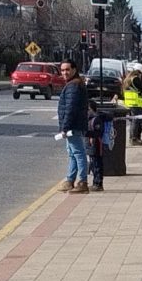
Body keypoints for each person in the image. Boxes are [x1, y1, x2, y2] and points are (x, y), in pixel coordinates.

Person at [56, 66, 96, 194]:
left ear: (74, 70)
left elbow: (70, 109)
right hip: (74, 125)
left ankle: (83, 182)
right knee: (72, 153)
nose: (64, 72)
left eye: (67, 69)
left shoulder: (73, 86)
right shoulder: (74, 84)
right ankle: (70, 180)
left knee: (78, 153)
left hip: (73, 126)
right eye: (62, 70)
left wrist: (65, 127)